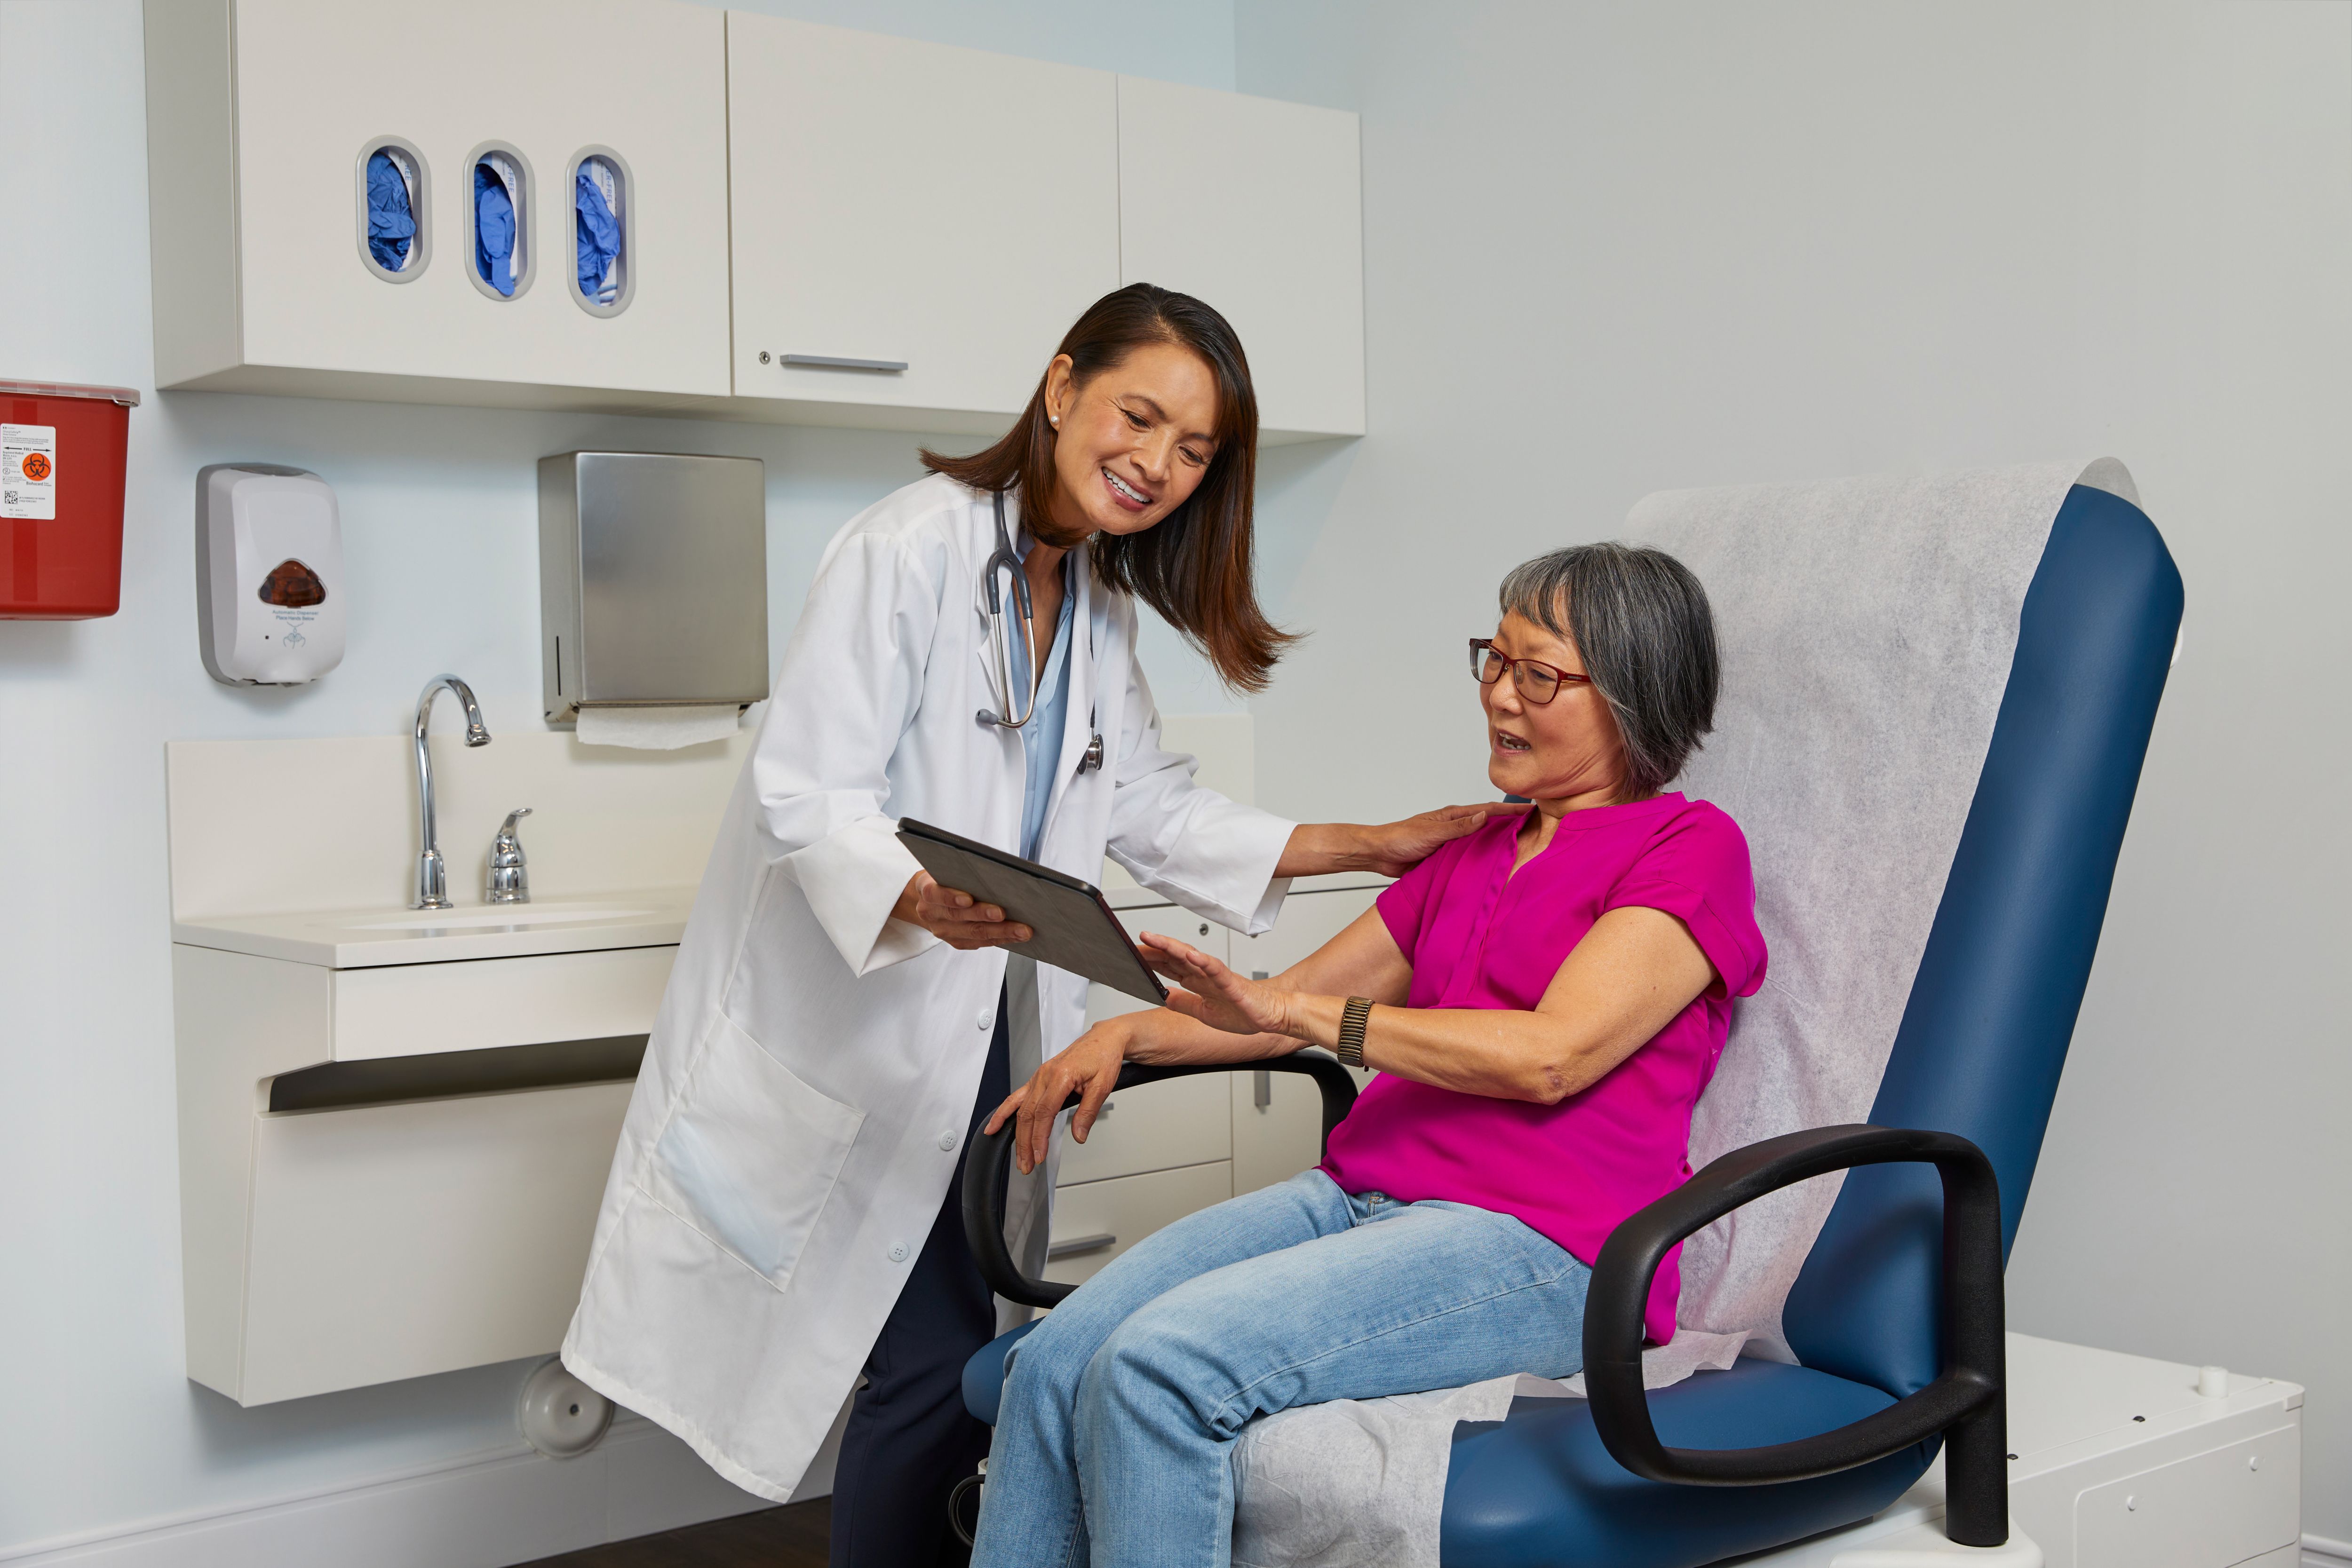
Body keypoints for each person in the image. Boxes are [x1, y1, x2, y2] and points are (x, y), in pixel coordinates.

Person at [561, 283, 1515, 1567]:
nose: (1159, 465)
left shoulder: (1096, 604)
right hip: (869, 1028)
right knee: (930, 1369)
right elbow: (803, 789)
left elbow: (1151, 808)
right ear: (1063, 387)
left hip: (985, 1037)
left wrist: (1375, 841)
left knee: (942, 1363)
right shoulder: (909, 549)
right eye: (1140, 416)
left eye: (1195, 452)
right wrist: (917, 895)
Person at [971, 542, 1769, 1567]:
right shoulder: (1472, 848)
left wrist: (1302, 1014)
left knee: (1158, 1366)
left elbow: (1550, 1056)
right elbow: (1267, 1009)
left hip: (1543, 1243)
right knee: (1056, 1358)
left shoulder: (1688, 847)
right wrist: (1123, 1031)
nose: (1499, 697)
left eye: (1539, 675)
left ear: (1633, 696)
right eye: (1494, 659)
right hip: (1359, 1194)